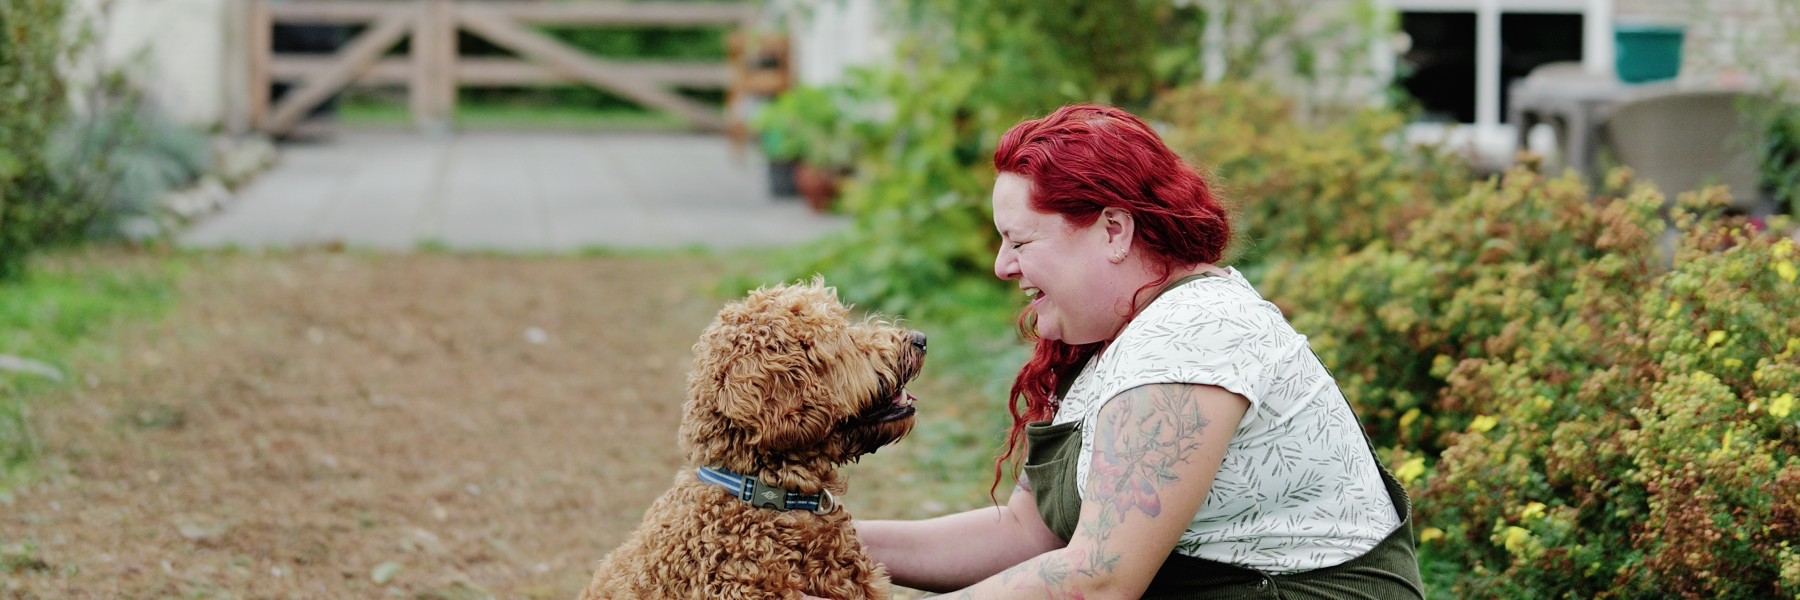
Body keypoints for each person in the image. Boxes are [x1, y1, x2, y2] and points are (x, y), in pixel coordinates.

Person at [841, 104, 1424, 599]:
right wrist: (817, 537)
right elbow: (1026, 533)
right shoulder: (1112, 338)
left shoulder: (1193, 335)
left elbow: (1099, 578)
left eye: (1020, 240)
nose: (1002, 265)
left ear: (1115, 230)